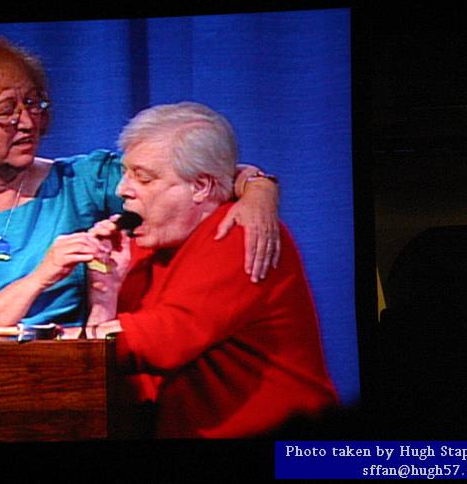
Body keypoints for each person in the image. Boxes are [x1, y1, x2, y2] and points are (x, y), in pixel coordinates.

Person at [0, 31, 281, 329]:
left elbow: (196, 180)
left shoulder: (80, 182)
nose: (27, 121)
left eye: (34, 103)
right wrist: (41, 276)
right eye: (6, 110)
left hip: (77, 380)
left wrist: (258, 189)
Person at [83, 102, 338, 438]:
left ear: (201, 187)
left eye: (143, 178)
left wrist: (51, 343)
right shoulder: (144, 246)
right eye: (125, 173)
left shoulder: (238, 231)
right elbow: (124, 379)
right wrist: (106, 293)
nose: (122, 190)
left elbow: (162, 340)